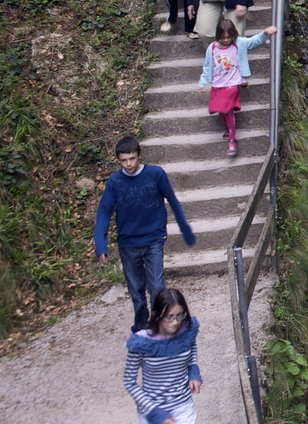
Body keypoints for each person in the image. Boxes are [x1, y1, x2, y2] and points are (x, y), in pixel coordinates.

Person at [94, 137, 196, 333]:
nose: (128, 164)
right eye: (124, 160)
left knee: (156, 286)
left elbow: (172, 200)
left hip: (153, 239)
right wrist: (101, 244)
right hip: (128, 242)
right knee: (136, 290)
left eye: (132, 158)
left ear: (139, 155)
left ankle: (159, 325)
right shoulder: (115, 182)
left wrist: (186, 231)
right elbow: (104, 211)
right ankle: (141, 326)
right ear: (118, 160)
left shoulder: (155, 174)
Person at [123, 287, 202, 424]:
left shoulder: (187, 331)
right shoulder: (141, 342)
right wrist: (154, 412)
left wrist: (194, 371)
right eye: (169, 317)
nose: (175, 322)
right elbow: (129, 381)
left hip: (182, 408)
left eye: (179, 315)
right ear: (156, 315)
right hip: (152, 411)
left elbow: (191, 348)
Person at [197, 22, 277, 157]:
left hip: (232, 84)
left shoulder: (239, 43)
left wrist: (265, 33)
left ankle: (232, 140)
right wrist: (202, 83)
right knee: (219, 110)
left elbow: (254, 40)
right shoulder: (212, 48)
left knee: (227, 110)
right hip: (217, 85)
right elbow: (207, 66)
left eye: (229, 37)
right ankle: (229, 129)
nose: (226, 40)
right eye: (223, 38)